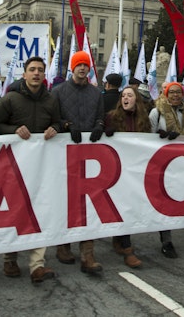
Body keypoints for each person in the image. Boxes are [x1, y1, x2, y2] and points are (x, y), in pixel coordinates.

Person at [0, 56, 61, 285]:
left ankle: (37, 265)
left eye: (40, 70)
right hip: (14, 165)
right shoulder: (10, 98)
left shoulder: (51, 100)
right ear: (24, 74)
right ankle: (9, 258)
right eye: (32, 70)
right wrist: (13, 130)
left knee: (39, 212)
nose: (37, 74)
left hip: (41, 167)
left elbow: (61, 123)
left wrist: (56, 128)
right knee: (14, 212)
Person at [52, 51, 104, 275]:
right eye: (79, 65)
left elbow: (101, 115)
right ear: (72, 68)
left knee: (89, 204)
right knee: (67, 201)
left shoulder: (96, 93)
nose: (82, 68)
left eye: (85, 65)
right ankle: (63, 245)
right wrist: (65, 125)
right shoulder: (58, 92)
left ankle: (87, 253)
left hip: (90, 153)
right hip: (65, 153)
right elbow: (53, 118)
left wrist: (100, 125)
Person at [149, 82, 184, 257]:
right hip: (164, 164)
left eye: (178, 92)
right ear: (166, 94)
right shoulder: (157, 111)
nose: (175, 95)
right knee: (166, 203)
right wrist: (161, 137)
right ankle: (167, 241)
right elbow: (147, 137)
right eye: (171, 92)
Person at [104, 85, 152, 267]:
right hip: (117, 170)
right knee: (122, 207)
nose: (125, 98)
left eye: (129, 95)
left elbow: (149, 140)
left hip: (135, 170)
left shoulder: (143, 119)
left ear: (136, 100)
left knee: (128, 208)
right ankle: (128, 249)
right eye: (123, 95)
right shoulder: (112, 117)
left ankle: (120, 240)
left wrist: (161, 138)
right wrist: (105, 132)